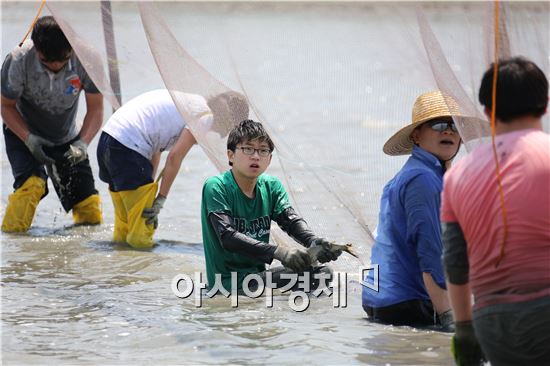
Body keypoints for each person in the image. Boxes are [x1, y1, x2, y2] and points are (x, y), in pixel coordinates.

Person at [441, 57, 550, 365]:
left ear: (488, 112)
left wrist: (464, 331)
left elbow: (455, 264)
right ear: (545, 105)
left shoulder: (455, 176)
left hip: (492, 324)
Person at [362, 90, 464, 331]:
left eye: (454, 126)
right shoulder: (423, 179)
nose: (448, 131)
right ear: (416, 135)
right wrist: (448, 317)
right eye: (438, 124)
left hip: (381, 298)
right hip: (406, 303)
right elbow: (429, 249)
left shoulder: (417, 173)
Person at [201, 119, 343, 292]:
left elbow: (290, 221)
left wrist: (314, 242)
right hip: (226, 284)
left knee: (322, 274)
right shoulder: (216, 187)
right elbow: (228, 237)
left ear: (269, 159)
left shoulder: (271, 186)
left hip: (258, 278)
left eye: (263, 150)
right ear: (230, 155)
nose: (255, 156)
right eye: (248, 149)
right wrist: (280, 253)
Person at [97, 89, 248, 249]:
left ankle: (118, 264)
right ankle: (140, 269)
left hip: (109, 140)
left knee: (125, 222)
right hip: (128, 147)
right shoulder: (206, 117)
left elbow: (156, 150)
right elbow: (175, 157)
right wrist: (160, 199)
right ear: (230, 120)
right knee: (140, 233)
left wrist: (150, 193)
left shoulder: (194, 103)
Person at [1, 16, 103, 232]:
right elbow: (5, 106)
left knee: (89, 211)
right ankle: (13, 244)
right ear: (36, 48)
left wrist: (83, 144)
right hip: (22, 130)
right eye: (47, 61)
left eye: (63, 60)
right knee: (31, 187)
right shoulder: (18, 60)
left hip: (66, 136)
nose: (56, 66)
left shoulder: (88, 59)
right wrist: (28, 138)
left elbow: (96, 110)